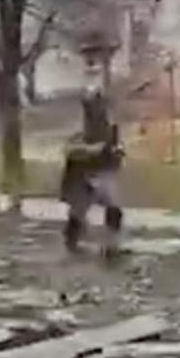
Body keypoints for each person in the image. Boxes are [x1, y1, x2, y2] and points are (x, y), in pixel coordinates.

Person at [60, 84, 124, 257]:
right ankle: (71, 245)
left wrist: (117, 151)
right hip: (81, 174)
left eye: (99, 103)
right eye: (93, 103)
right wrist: (91, 150)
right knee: (78, 212)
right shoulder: (78, 125)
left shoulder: (110, 125)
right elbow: (69, 149)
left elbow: (115, 145)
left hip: (103, 171)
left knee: (113, 206)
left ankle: (112, 244)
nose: (97, 108)